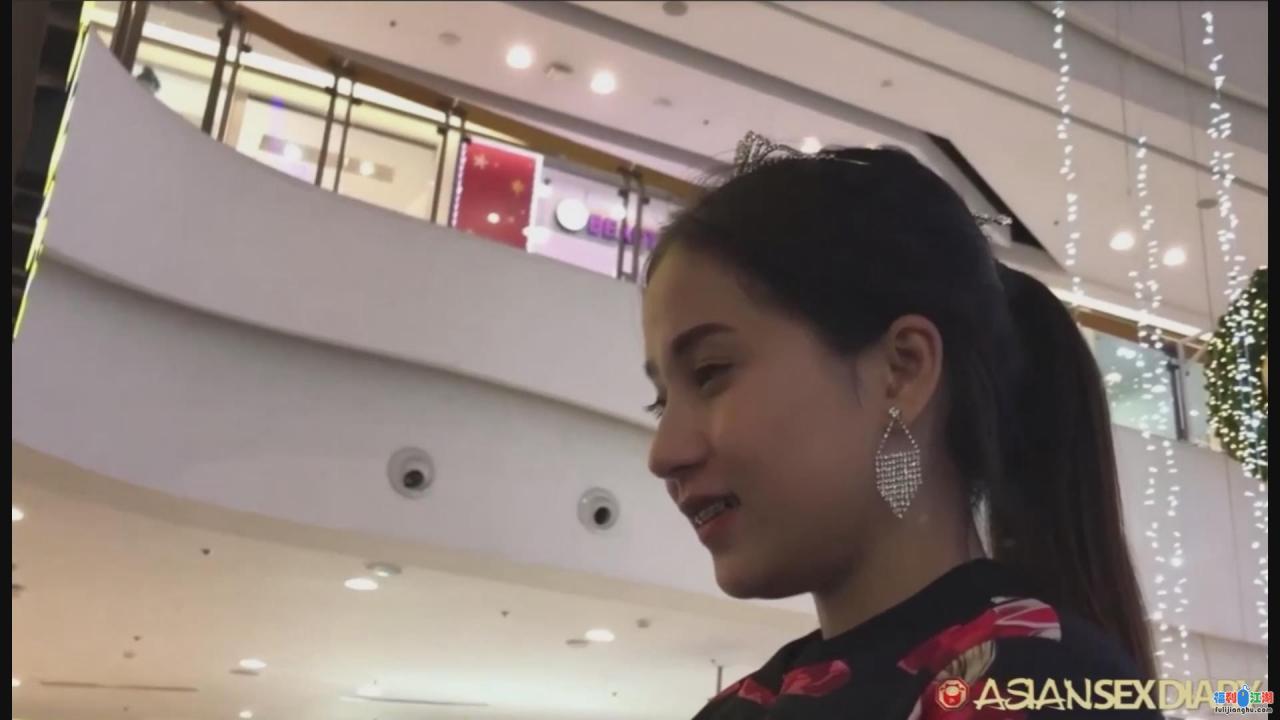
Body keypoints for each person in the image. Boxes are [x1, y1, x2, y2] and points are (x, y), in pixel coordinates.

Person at [640, 133, 1160, 719]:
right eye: (661, 402)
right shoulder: (738, 708)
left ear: (903, 368)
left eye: (710, 373)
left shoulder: (1028, 683)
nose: (664, 453)